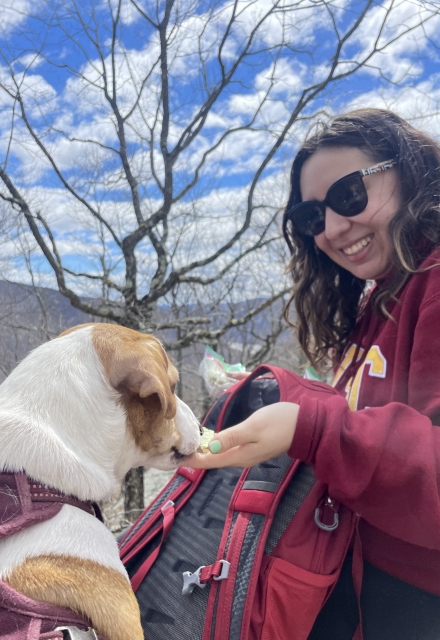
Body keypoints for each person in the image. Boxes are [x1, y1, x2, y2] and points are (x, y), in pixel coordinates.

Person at [187, 108, 440, 639]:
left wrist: (313, 427)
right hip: (358, 581)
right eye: (311, 217)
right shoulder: (379, 298)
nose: (331, 228)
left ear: (411, 171)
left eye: (349, 196)